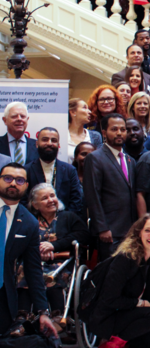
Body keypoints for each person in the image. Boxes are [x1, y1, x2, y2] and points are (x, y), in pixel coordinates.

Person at [84, 213, 150, 347]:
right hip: (106, 316)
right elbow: (109, 299)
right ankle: (111, 343)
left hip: (128, 313)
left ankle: (119, 341)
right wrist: (141, 303)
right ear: (139, 233)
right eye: (147, 230)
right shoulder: (125, 258)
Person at [14, 183, 89, 332]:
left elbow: (83, 235)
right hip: (33, 260)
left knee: (52, 274)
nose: (51, 200)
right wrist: (39, 249)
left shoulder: (68, 217)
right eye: (45, 198)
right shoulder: (30, 220)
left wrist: (54, 246)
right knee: (24, 270)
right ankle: (22, 317)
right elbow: (21, 240)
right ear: (35, 205)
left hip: (61, 260)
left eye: (52, 196)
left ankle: (58, 316)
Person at [0, 163, 58, 336]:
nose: (13, 184)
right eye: (7, 178)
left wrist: (43, 312)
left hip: (3, 294)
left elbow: (33, 269)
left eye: (19, 180)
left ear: (26, 186)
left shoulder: (29, 223)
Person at [84, 113, 139, 260]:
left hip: (129, 230)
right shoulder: (95, 158)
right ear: (104, 132)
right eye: (114, 129)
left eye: (123, 129)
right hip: (109, 230)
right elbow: (92, 195)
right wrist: (102, 228)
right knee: (110, 275)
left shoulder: (130, 160)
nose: (119, 133)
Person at [24, 127, 83, 216]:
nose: (49, 143)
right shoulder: (26, 170)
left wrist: (63, 222)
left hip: (64, 223)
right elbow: (23, 201)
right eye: (45, 140)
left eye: (53, 140)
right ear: (36, 144)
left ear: (58, 144)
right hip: (35, 224)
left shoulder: (70, 170)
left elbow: (76, 201)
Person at [68, 98, 103, 163]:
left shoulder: (95, 136)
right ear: (73, 112)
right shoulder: (61, 135)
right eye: (84, 108)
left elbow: (99, 161)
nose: (89, 112)